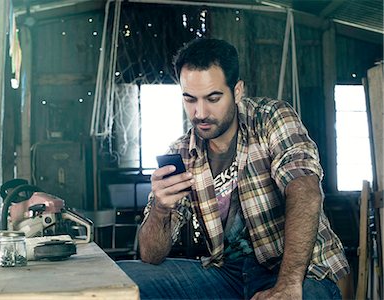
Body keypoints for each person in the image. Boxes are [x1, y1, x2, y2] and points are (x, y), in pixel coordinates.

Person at [118, 38, 349, 299]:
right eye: (189, 99)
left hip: (299, 272)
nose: (200, 112)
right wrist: (161, 208)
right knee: (123, 281)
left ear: (237, 91)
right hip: (225, 274)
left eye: (213, 98)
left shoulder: (272, 118)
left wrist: (288, 284)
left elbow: (305, 190)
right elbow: (151, 255)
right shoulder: (181, 153)